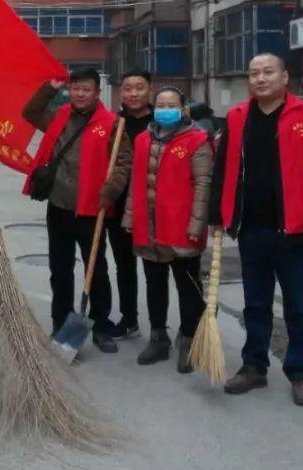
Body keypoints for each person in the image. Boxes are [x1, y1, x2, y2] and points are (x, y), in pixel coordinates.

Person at [209, 53, 303, 406]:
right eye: (253, 73)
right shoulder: (236, 118)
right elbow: (223, 169)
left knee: (298, 305)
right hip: (251, 228)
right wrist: (217, 213)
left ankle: (299, 372)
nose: (260, 79)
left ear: (284, 77)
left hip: (294, 230)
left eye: (267, 72)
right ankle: (254, 367)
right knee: (255, 303)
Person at [22, 67, 131, 354]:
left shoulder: (112, 124)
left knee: (96, 269)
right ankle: (61, 322)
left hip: (91, 208)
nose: (80, 94)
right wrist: (50, 87)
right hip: (59, 204)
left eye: (86, 89)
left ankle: (101, 326)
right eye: (76, 89)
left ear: (97, 92)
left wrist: (111, 190)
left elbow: (123, 163)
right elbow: (30, 112)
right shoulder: (60, 117)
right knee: (60, 268)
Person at [104, 86, 211, 371]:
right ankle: (158, 337)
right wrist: (129, 218)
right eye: (161, 104)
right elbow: (135, 184)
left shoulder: (197, 140)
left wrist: (197, 224)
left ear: (183, 108)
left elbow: (204, 186)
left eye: (171, 104)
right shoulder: (141, 140)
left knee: (188, 288)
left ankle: (189, 341)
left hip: (182, 227)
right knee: (155, 285)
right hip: (149, 226)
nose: (165, 109)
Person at [104, 69, 150, 340]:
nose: (133, 93)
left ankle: (163, 328)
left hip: (154, 206)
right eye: (128, 88)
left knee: (156, 268)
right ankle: (129, 317)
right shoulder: (113, 123)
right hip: (120, 206)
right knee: (124, 265)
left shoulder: (162, 120)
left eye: (139, 87)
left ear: (149, 90)